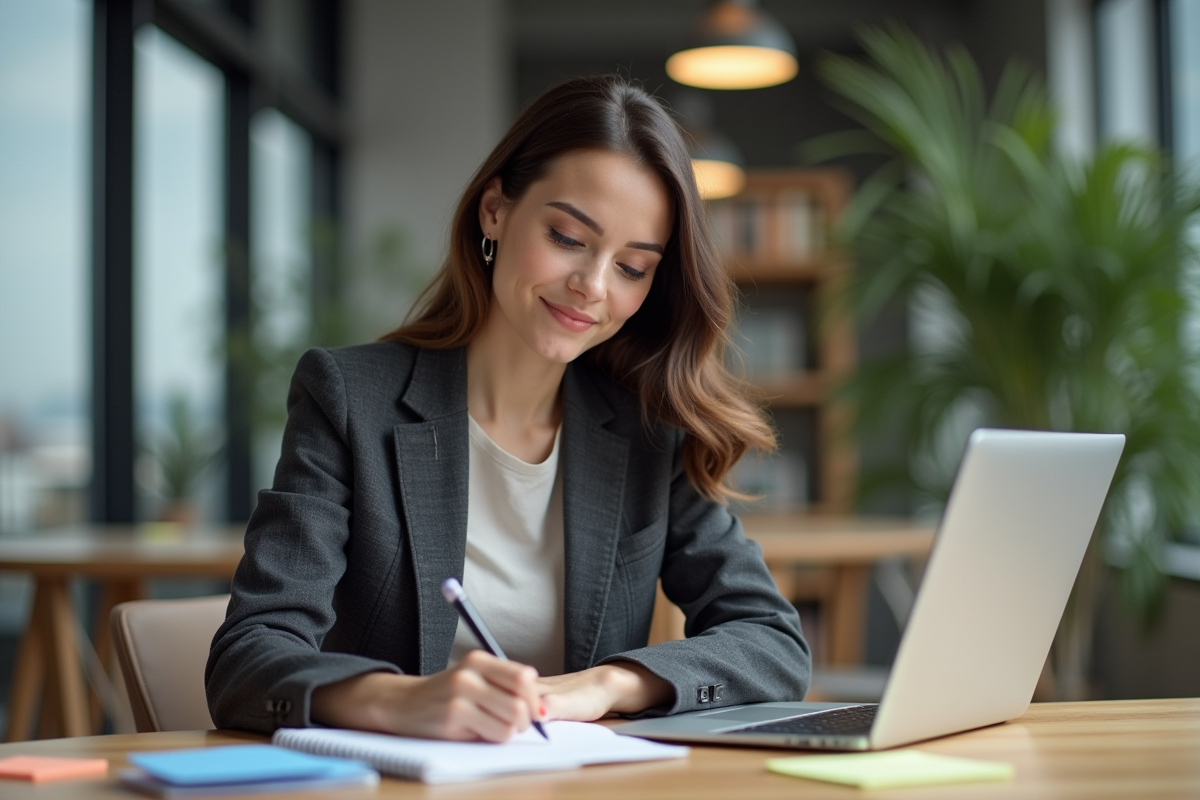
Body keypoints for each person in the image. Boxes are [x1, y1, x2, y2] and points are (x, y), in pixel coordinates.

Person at [205, 75, 810, 742]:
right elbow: (248, 657)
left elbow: (773, 643)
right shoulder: (350, 399)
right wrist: (397, 702)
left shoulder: (648, 431)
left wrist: (605, 684)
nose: (592, 286)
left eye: (633, 268)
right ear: (495, 209)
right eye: (567, 236)